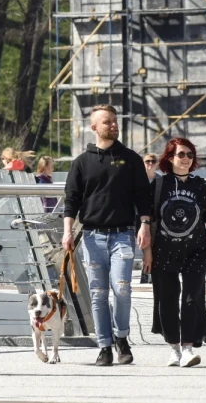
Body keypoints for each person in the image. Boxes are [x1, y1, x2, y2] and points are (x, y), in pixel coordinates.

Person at [62, 104, 152, 367]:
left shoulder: (131, 159)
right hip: (92, 237)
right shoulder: (81, 163)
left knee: (122, 289)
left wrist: (145, 224)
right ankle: (105, 346)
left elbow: (143, 197)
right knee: (99, 294)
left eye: (115, 121)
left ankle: (122, 337)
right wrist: (68, 232)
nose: (113, 125)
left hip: (123, 234)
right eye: (107, 122)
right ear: (94, 128)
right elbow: (71, 201)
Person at [142, 138, 206, 368]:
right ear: (170, 158)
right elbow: (148, 221)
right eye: (181, 154)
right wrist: (147, 253)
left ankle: (188, 348)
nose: (186, 159)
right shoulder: (159, 186)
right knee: (167, 300)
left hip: (196, 251)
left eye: (190, 155)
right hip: (164, 252)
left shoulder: (199, 185)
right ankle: (173, 348)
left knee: (192, 299)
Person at [139, 153, 159, 285]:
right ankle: (145, 274)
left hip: (156, 217)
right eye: (147, 161)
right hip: (140, 218)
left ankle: (150, 274)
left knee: (154, 246)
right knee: (144, 245)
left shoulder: (161, 180)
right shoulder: (138, 179)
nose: (150, 163)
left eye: (153, 161)